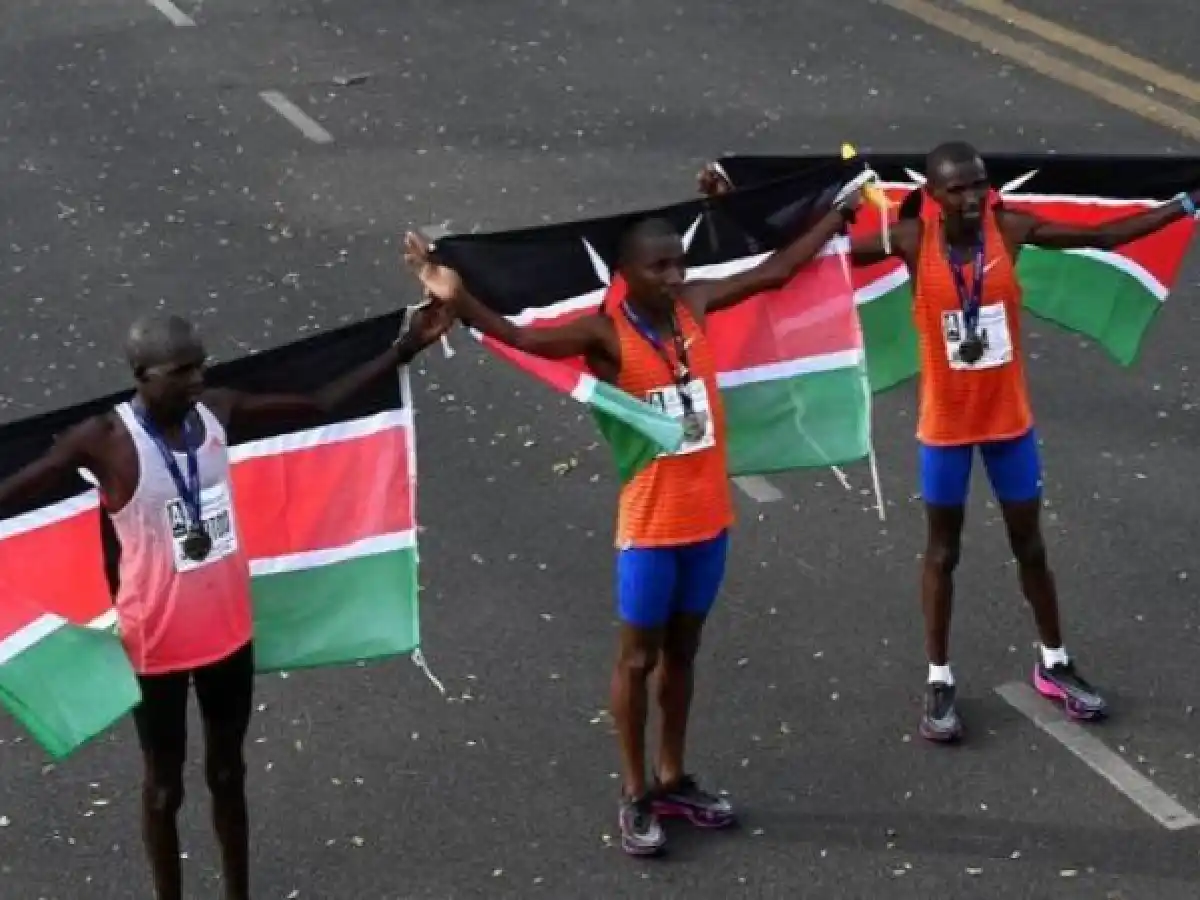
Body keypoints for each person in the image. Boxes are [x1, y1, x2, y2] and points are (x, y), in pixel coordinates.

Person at [401, 185, 863, 857]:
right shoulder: (605, 334)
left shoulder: (693, 307)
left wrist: (832, 215)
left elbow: (774, 272)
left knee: (684, 653)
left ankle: (674, 777)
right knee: (637, 658)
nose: (674, 277)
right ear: (626, 273)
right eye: (659, 268)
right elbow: (522, 336)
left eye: (678, 264)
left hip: (709, 522)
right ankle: (634, 791)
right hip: (650, 529)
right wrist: (451, 292)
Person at [699, 144, 1200, 742]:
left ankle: (1056, 664)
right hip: (946, 430)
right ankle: (939, 679)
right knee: (943, 553)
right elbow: (812, 259)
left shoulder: (1009, 229)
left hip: (1009, 425)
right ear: (933, 195)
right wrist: (734, 211)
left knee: (1031, 547)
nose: (971, 199)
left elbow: (1111, 235)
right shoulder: (912, 240)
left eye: (978, 187)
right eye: (957, 189)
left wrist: (1186, 202)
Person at [0, 304, 453, 900]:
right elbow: (22, 485)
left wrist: (404, 350)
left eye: (200, 367)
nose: (196, 380)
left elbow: (318, 404)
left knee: (228, 772)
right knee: (164, 787)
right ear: (142, 374)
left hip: (227, 633)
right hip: (154, 643)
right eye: (180, 371)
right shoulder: (105, 440)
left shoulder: (215, 411)